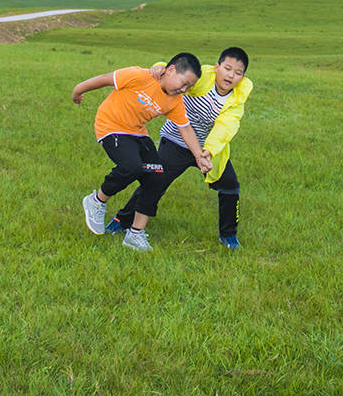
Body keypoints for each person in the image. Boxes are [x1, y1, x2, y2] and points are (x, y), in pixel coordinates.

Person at [106, 47, 253, 250]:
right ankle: (122, 221)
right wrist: (158, 67)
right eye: (227, 68)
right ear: (217, 67)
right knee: (155, 181)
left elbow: (225, 128)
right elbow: (175, 72)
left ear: (243, 76)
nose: (230, 75)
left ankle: (228, 235)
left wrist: (207, 153)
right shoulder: (201, 77)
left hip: (207, 151)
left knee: (230, 186)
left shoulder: (236, 100)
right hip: (176, 142)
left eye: (238, 73)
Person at [70, 53, 212, 252]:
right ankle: (96, 201)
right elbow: (103, 80)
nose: (183, 89)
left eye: (188, 87)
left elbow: (185, 128)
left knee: (156, 175)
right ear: (170, 70)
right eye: (183, 83)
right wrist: (77, 91)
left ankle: (135, 234)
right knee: (131, 167)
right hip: (110, 126)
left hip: (136, 133)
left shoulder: (175, 101)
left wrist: (199, 156)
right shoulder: (139, 75)